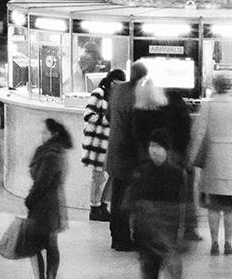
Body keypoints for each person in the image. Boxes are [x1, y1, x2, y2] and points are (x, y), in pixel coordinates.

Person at [188, 70, 232, 254]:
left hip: (213, 158)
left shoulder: (209, 106)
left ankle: (214, 242)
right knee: (230, 206)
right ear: (230, 87)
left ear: (214, 86)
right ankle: (228, 242)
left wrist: (192, 158)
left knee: (213, 204)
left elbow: (199, 134)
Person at [125, 132, 192, 279]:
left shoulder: (177, 174)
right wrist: (135, 234)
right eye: (152, 146)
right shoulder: (141, 173)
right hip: (147, 238)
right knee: (149, 272)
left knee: (172, 273)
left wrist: (186, 233)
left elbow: (185, 206)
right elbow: (133, 205)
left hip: (168, 236)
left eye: (158, 146)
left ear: (167, 150)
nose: (154, 150)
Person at [23, 117, 72, 279]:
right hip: (52, 206)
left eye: (45, 132)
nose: (42, 136)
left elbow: (41, 183)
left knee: (37, 246)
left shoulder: (50, 154)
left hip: (44, 207)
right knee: (50, 244)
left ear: (53, 133)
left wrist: (29, 201)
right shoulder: (57, 151)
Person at [106, 60, 146, 252]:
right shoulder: (136, 96)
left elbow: (107, 116)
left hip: (114, 150)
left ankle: (116, 236)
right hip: (128, 154)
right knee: (126, 199)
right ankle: (123, 239)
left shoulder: (118, 91)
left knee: (117, 196)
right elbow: (136, 128)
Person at [82, 69, 123, 219]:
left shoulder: (115, 96)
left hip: (109, 142)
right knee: (98, 177)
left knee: (112, 174)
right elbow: (88, 114)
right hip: (98, 143)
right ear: (112, 81)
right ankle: (95, 208)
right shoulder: (99, 92)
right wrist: (104, 120)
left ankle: (103, 204)